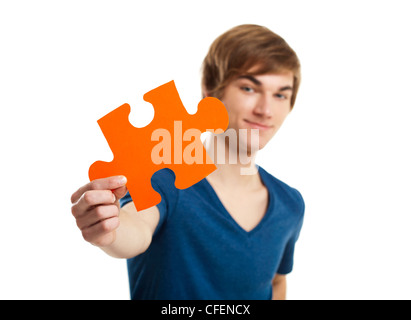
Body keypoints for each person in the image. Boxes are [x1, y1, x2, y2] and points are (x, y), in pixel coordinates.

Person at [70, 24, 305, 300]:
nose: (265, 110)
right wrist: (109, 228)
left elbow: (276, 283)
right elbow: (136, 228)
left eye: (280, 94)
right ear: (210, 90)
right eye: (249, 88)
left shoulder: (290, 203)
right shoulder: (164, 178)